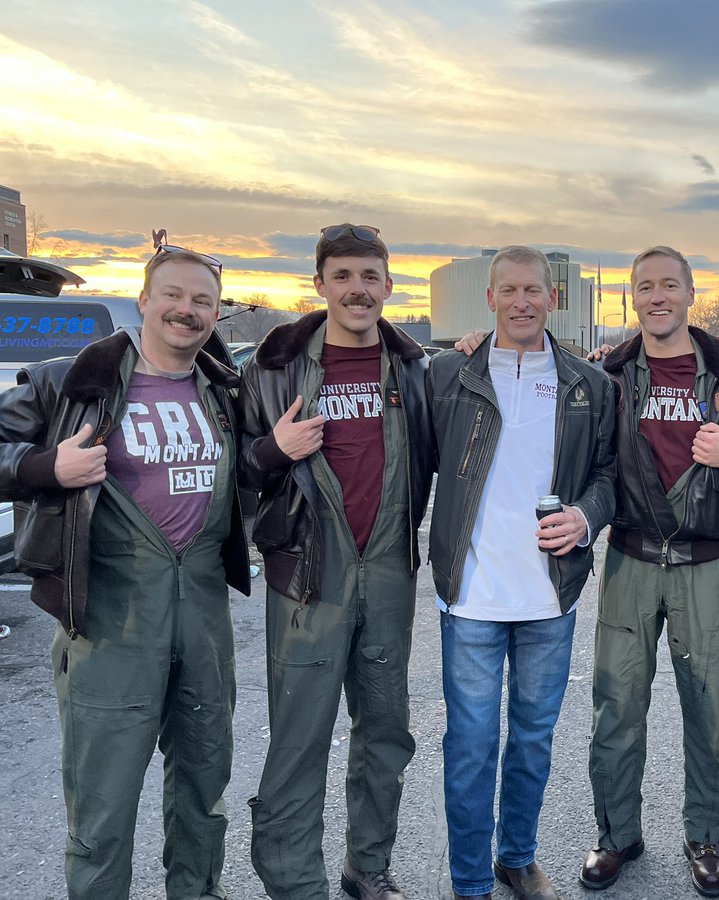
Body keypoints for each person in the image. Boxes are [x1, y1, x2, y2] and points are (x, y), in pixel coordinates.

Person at [0, 241, 250, 899]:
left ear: (216, 313)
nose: (186, 310)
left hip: (203, 615)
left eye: (203, 300)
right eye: (173, 294)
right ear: (143, 299)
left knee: (204, 792)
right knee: (102, 808)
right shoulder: (70, 382)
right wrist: (44, 468)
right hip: (108, 617)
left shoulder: (227, 393)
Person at [580, 246, 719, 898]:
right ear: (633, 297)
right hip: (633, 561)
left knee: (711, 711)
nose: (657, 296)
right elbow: (596, 467)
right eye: (645, 286)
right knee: (616, 709)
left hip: (710, 565)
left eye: (669, 284)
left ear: (690, 292)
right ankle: (617, 835)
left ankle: (704, 834)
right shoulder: (610, 376)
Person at [238, 224, 434, 900]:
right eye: (343, 276)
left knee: (385, 732)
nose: (357, 289)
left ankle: (367, 867)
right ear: (319, 284)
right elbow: (230, 474)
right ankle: (294, 882)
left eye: (370, 276)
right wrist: (273, 449)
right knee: (299, 736)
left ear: (388, 285)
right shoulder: (269, 368)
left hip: (388, 573)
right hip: (306, 579)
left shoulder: (415, 368)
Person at [427, 245, 616, 900]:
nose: (521, 301)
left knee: (532, 743)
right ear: (490, 298)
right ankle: (471, 882)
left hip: (549, 598)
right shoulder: (448, 374)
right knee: (472, 749)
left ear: (552, 298)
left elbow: (609, 477)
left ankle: (517, 856)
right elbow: (419, 464)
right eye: (508, 290)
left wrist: (587, 518)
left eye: (533, 290)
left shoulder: (591, 386)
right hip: (472, 599)